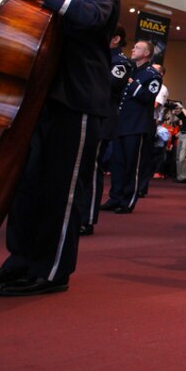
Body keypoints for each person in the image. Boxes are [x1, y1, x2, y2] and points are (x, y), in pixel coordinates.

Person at [0, 0, 120, 296]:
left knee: (61, 190)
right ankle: (20, 261)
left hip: (77, 101)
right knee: (29, 187)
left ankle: (51, 271)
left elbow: (90, 18)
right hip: (48, 99)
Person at [79, 25, 131, 236]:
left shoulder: (120, 62)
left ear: (116, 38)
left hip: (103, 118)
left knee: (92, 169)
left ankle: (87, 218)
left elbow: (109, 84)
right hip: (87, 113)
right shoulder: (101, 56)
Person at [101, 40, 161, 214]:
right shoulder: (131, 69)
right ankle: (115, 197)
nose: (133, 50)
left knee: (132, 165)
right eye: (134, 47)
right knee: (117, 163)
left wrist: (132, 83)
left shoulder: (152, 74)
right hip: (121, 123)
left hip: (138, 125)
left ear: (147, 54)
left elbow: (148, 97)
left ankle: (128, 200)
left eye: (138, 48)